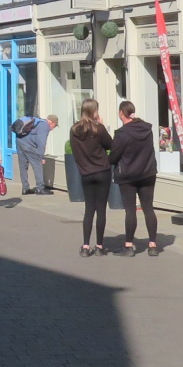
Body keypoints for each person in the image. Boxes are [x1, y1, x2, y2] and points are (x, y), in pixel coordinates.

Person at [109, 101, 160, 257]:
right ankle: (153, 245)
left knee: (130, 210)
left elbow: (114, 156)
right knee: (148, 208)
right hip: (147, 173)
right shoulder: (147, 129)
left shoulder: (122, 133)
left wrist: (109, 160)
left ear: (121, 113)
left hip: (128, 176)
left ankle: (129, 245)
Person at [69, 99, 114, 257]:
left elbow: (75, 151)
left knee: (89, 209)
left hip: (86, 173)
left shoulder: (74, 130)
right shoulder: (98, 129)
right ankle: (100, 246)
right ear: (93, 112)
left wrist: (83, 166)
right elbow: (111, 145)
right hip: (102, 171)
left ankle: (86, 246)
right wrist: (100, 125)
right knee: (101, 209)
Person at [15, 114, 59, 195]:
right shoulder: (44, 126)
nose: (53, 128)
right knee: (38, 165)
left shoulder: (37, 121)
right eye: (55, 126)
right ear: (52, 123)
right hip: (29, 146)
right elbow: (41, 142)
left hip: (19, 141)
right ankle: (40, 188)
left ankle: (25, 189)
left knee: (23, 166)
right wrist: (41, 156)